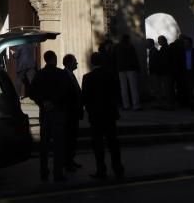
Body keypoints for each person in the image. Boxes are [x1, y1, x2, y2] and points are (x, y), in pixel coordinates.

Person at [29, 50, 75, 182]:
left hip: (44, 113)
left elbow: (32, 92)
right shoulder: (61, 74)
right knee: (58, 144)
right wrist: (54, 102)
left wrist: (43, 102)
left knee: (44, 145)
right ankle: (58, 172)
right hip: (58, 111)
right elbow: (67, 92)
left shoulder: (39, 74)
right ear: (54, 59)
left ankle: (43, 171)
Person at [83, 52, 124, 179]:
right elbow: (117, 93)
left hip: (96, 116)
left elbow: (85, 98)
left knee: (98, 145)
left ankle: (101, 169)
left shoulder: (88, 77)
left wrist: (89, 111)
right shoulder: (110, 75)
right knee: (113, 143)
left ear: (92, 62)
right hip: (109, 114)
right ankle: (118, 168)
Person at [62, 53, 84, 172]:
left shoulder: (71, 75)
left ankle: (70, 160)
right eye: (75, 61)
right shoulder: (64, 76)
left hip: (74, 113)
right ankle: (67, 162)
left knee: (73, 138)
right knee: (69, 138)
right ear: (69, 63)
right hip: (69, 113)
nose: (76, 63)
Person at [114, 34, 141, 111]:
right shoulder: (130, 47)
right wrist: (137, 68)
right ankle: (136, 105)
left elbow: (115, 58)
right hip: (131, 68)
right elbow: (134, 58)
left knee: (124, 88)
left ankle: (126, 105)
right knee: (133, 87)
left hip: (121, 69)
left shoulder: (118, 47)